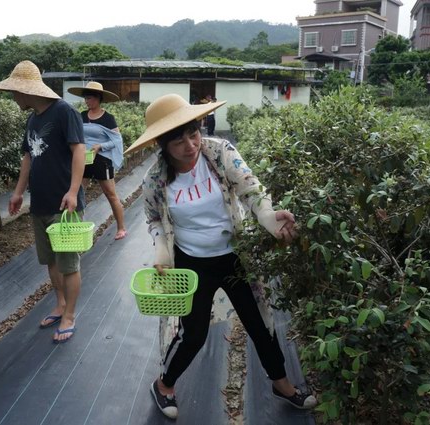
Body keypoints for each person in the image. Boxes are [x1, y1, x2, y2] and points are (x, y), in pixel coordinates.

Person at [124, 94, 317, 419]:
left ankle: (281, 384)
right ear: (162, 144)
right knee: (193, 333)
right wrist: (161, 249)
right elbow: (154, 219)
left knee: (259, 322)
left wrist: (270, 219)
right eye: (178, 140)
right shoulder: (155, 180)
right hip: (192, 263)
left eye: (193, 133)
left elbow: (251, 189)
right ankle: (164, 385)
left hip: (234, 257)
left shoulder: (219, 153)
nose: (190, 145)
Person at [0, 60, 85, 343]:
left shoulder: (64, 112)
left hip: (63, 205)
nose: (13, 97)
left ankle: (70, 315)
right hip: (40, 202)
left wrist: (73, 191)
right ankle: (60, 305)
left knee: (69, 263)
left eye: (14, 92)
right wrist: (18, 192)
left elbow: (78, 151)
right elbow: (28, 157)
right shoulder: (33, 119)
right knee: (50, 261)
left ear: (26, 90)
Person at [67, 81, 127, 240]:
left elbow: (117, 141)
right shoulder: (81, 116)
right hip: (83, 159)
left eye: (90, 98)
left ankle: (121, 228)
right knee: (78, 192)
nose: (87, 101)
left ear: (99, 99)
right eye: (86, 98)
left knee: (111, 194)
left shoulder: (108, 118)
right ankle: (75, 228)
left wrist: (100, 146)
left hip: (102, 160)